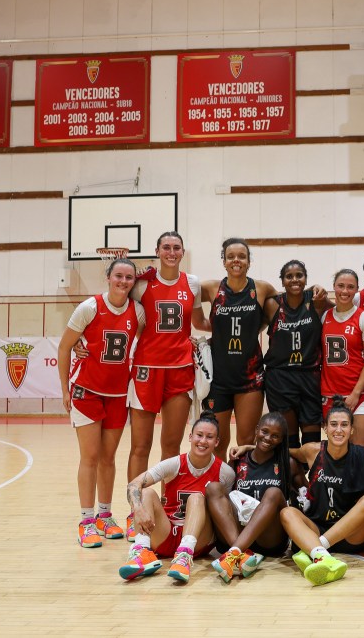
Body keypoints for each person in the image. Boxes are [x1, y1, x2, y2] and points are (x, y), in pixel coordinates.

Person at [126, 231, 209, 539]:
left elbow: (199, 322)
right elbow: (120, 311)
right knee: (140, 446)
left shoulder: (193, 283)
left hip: (179, 369)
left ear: (183, 251)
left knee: (171, 446)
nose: (172, 252)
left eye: (176, 248)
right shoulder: (142, 283)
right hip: (147, 370)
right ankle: (134, 510)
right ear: (157, 251)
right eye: (166, 247)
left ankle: (168, 506)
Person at [58, 257, 145, 547]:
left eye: (129, 278)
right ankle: (85, 521)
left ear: (134, 281)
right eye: (118, 276)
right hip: (87, 390)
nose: (123, 282)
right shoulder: (89, 307)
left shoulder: (138, 312)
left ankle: (105, 517)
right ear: (108, 277)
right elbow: (64, 347)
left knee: (108, 458)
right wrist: (65, 390)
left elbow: (146, 343)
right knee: (90, 457)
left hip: (119, 394)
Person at [118, 413, 234, 583]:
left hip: (200, 540)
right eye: (199, 435)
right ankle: (142, 551)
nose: (203, 441)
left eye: (209, 437)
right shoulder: (174, 464)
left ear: (217, 442)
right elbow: (133, 485)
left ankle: (184, 556)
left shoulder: (225, 473)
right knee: (147, 492)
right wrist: (139, 509)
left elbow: (228, 511)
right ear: (190, 437)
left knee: (196, 498)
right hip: (167, 532)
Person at [280, 396, 364, 586]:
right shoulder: (312, 451)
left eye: (344, 425)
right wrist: (249, 447)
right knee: (287, 513)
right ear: (325, 427)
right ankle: (324, 557)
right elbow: (282, 450)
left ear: (352, 429)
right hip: (318, 527)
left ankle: (318, 550)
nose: (338, 430)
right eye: (333, 424)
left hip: (352, 534)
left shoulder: (363, 456)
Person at [200, 238, 277, 459]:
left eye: (242, 256)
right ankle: (219, 489)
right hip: (218, 378)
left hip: (250, 378)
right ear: (223, 261)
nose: (236, 260)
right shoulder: (211, 288)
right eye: (231, 256)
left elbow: (279, 315)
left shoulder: (262, 288)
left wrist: (255, 329)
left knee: (245, 441)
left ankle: (242, 489)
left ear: (249, 261)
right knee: (217, 441)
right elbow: (181, 291)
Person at [206, 412, 298, 583]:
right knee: (213, 488)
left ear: (281, 440)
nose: (268, 438)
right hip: (238, 530)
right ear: (256, 430)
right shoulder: (237, 460)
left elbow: (309, 494)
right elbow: (223, 500)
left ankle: (234, 553)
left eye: (275, 436)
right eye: (264, 431)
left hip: (269, 538)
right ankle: (241, 555)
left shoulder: (287, 463)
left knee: (273, 492)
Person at [263, 260, 326, 450]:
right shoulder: (273, 305)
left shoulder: (317, 301)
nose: (294, 279)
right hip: (280, 377)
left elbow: (342, 312)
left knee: (312, 441)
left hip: (310, 376)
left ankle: (311, 479)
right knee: (289, 440)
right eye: (289, 276)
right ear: (282, 282)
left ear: (306, 279)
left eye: (299, 275)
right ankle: (292, 479)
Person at [321, 269, 364, 449]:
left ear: (357, 290)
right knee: (337, 451)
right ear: (334, 288)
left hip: (360, 395)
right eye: (340, 286)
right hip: (330, 395)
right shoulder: (325, 316)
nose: (345, 291)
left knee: (361, 452)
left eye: (350, 287)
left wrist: (355, 393)